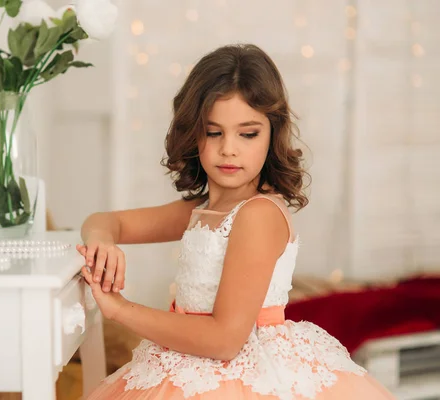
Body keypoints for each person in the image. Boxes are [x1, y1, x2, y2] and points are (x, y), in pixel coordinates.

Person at [76, 44, 395, 399]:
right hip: (186, 363)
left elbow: (225, 341)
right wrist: (103, 240)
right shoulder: (202, 209)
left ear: (272, 133)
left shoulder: (258, 215)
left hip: (241, 374)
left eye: (248, 133)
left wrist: (120, 309)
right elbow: (103, 220)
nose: (229, 148)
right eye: (214, 132)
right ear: (193, 133)